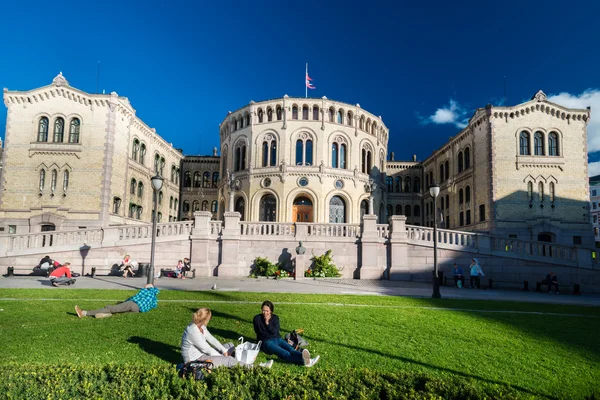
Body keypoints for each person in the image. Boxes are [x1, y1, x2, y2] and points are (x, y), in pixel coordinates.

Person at [181, 308, 273, 369]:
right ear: (205, 319)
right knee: (228, 360)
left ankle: (237, 362)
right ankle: (257, 367)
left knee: (230, 346)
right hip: (195, 361)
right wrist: (223, 357)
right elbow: (207, 349)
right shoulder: (192, 331)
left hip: (203, 353)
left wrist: (224, 351)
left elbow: (212, 339)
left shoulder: (200, 326)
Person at [253, 300, 319, 367]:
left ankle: (308, 360)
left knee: (292, 350)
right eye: (263, 310)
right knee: (285, 353)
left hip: (278, 339)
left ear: (271, 311)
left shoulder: (275, 318)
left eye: (267, 311)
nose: (265, 313)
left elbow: (275, 332)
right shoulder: (257, 319)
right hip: (266, 342)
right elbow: (259, 333)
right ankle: (304, 362)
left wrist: (268, 324)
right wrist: (267, 325)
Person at [75, 283, 159, 319]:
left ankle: (83, 313)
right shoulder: (154, 297)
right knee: (118, 312)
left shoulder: (147, 291)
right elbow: (154, 305)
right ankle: (105, 315)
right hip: (137, 310)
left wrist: (125, 301)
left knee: (110, 308)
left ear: (148, 288)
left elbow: (135, 298)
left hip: (133, 304)